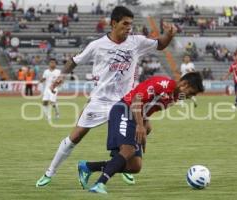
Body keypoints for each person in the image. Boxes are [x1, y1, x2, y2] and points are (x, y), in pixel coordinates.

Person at [36, 6, 177, 187]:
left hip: (125, 102)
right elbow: (73, 61)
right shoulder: (97, 45)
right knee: (75, 137)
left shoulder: (136, 42)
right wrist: (60, 77)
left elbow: (160, 44)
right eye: (125, 24)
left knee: (145, 128)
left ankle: (121, 165)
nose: (129, 28)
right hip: (100, 101)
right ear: (113, 23)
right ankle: (49, 172)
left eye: (131, 24)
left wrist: (170, 34)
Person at [77, 72, 204, 194]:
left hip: (135, 116)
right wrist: (139, 125)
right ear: (185, 84)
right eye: (191, 93)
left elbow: (149, 107)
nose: (189, 97)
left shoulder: (175, 97)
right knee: (128, 150)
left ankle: (88, 167)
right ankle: (99, 184)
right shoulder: (162, 84)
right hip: (124, 109)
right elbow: (136, 100)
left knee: (134, 166)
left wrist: (145, 124)